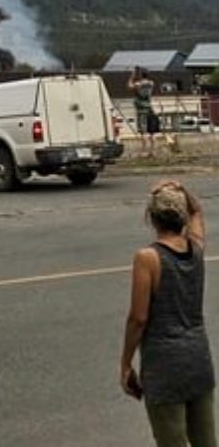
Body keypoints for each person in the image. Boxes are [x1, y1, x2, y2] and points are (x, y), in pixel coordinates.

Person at [120, 180, 216, 446]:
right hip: (198, 360)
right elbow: (197, 212)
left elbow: (138, 318)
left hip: (164, 366)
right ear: (182, 216)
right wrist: (182, 188)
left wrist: (126, 363)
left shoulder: (148, 258)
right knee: (206, 441)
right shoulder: (195, 248)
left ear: (152, 218)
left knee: (171, 440)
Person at [130, 66, 158, 155]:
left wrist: (132, 75)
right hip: (149, 108)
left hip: (141, 110)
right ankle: (153, 151)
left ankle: (144, 151)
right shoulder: (151, 83)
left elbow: (129, 85)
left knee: (143, 132)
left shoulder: (138, 84)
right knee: (152, 132)